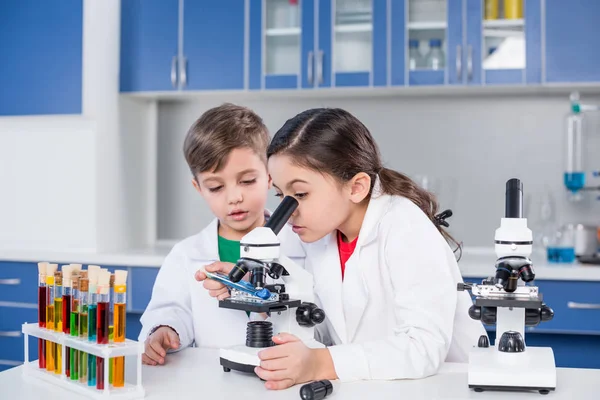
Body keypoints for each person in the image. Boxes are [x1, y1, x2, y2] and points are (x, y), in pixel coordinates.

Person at [255, 108, 486, 389]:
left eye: (300, 194)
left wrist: (319, 363)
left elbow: (423, 347)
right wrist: (265, 295)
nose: (288, 210)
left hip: (448, 388)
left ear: (356, 187)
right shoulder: (324, 236)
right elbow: (331, 332)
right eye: (281, 195)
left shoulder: (404, 224)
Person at [138, 103, 305, 366]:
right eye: (216, 187)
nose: (235, 197)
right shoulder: (186, 255)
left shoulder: (303, 244)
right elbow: (170, 309)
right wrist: (165, 330)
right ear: (198, 187)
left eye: (248, 181)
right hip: (217, 382)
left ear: (270, 176)